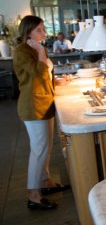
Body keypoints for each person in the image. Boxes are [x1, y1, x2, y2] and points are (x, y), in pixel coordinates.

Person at [13, 15, 70, 210]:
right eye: (39, 30)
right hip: (33, 105)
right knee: (39, 150)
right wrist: (39, 51)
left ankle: (46, 182)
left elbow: (46, 74)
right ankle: (34, 195)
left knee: (45, 148)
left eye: (43, 29)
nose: (43, 33)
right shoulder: (22, 51)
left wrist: (57, 82)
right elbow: (37, 72)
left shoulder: (39, 48)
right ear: (27, 31)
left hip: (45, 102)